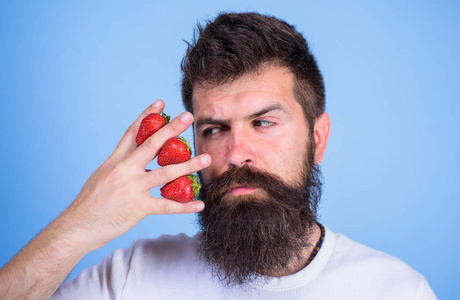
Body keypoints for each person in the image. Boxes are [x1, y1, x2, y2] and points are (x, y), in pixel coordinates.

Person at [0, 12, 436, 300]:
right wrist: (80, 225)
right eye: (214, 130)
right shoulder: (132, 276)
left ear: (318, 140)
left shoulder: (396, 289)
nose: (235, 154)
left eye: (263, 123)